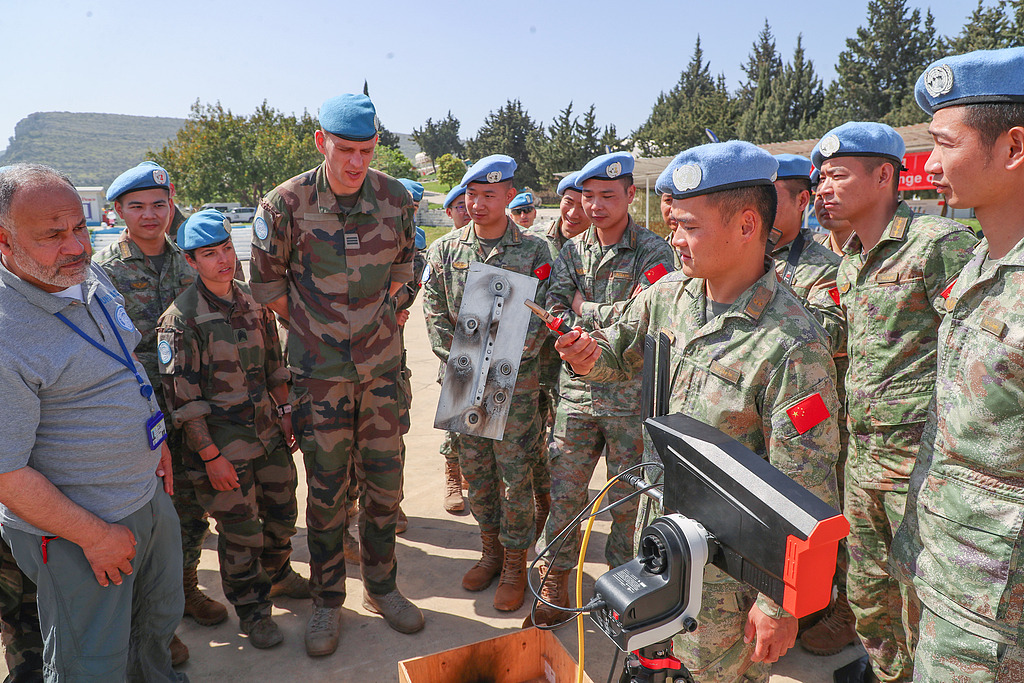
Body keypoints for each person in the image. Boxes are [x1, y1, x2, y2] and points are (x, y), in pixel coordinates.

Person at [554, 141, 840, 682]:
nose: (675, 241)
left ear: (747, 225)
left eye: (689, 227)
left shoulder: (791, 345)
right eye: (673, 226)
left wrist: (780, 608)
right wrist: (587, 356)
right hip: (661, 544)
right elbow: (617, 355)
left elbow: (807, 490)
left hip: (727, 588)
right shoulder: (671, 297)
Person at [249, 93, 423, 658]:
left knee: (385, 485)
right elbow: (267, 287)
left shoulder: (396, 198)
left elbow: (407, 262)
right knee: (326, 491)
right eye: (345, 149)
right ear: (322, 141)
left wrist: (392, 303)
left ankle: (383, 587)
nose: (356, 162)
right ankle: (328, 600)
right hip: (318, 376)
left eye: (366, 150)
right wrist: (319, 328)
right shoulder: (285, 204)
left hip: (380, 372)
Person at [0, 163, 185, 681]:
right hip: (81, 529)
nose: (76, 246)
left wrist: (155, 440)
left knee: (157, 621)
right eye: (53, 235)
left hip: (145, 493)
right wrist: (96, 536)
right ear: (5, 241)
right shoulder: (6, 332)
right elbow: (6, 474)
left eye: (79, 227)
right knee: (90, 659)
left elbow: (122, 365)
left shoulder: (84, 274)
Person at [812, 121, 978, 682]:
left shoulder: (938, 245)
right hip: (863, 460)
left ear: (885, 176)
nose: (823, 187)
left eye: (837, 175)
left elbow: (971, 348)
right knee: (866, 591)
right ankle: (887, 672)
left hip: (919, 467)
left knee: (919, 593)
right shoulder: (851, 258)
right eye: (821, 177)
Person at [890, 46, 1024, 680]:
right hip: (948, 578)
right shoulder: (981, 264)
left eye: (944, 144)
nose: (931, 164)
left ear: (1013, 147)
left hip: (1000, 614)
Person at [528, 153, 675, 628]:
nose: (594, 206)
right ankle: (555, 581)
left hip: (630, 399)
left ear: (631, 195)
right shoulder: (571, 252)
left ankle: (622, 590)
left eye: (607, 196)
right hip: (576, 394)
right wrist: (584, 313)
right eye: (587, 196)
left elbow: (645, 316)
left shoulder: (655, 252)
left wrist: (582, 310)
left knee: (628, 502)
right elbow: (554, 306)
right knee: (564, 491)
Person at [157, 210, 310, 650]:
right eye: (210, 253)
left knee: (282, 516)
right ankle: (253, 610)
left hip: (268, 435)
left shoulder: (253, 300)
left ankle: (278, 575)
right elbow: (184, 404)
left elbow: (274, 365)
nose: (223, 259)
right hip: (223, 448)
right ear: (191, 261)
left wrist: (284, 411)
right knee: (241, 534)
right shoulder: (181, 319)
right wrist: (211, 457)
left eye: (226, 248)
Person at [94, 161, 225, 664]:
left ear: (172, 206)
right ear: (117, 211)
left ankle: (184, 588)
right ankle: (151, 621)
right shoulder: (102, 271)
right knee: (143, 518)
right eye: (137, 206)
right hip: (136, 415)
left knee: (190, 513)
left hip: (192, 406)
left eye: (159, 204)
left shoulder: (187, 260)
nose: (150, 215)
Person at [422, 154, 552, 612]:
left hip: (512, 385)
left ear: (509, 196)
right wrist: (455, 358)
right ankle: (490, 551)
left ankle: (516, 561)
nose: (476, 204)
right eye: (471, 195)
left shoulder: (535, 251)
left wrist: (507, 359)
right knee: (476, 472)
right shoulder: (446, 250)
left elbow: (545, 316)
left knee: (514, 477)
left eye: (488, 195)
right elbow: (434, 309)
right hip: (462, 377)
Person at [437, 183, 470, 513]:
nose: (466, 209)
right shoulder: (444, 250)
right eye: (458, 206)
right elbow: (435, 312)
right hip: (452, 356)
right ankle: (452, 474)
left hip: (492, 357)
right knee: (453, 423)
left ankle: (471, 475)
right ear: (448, 212)